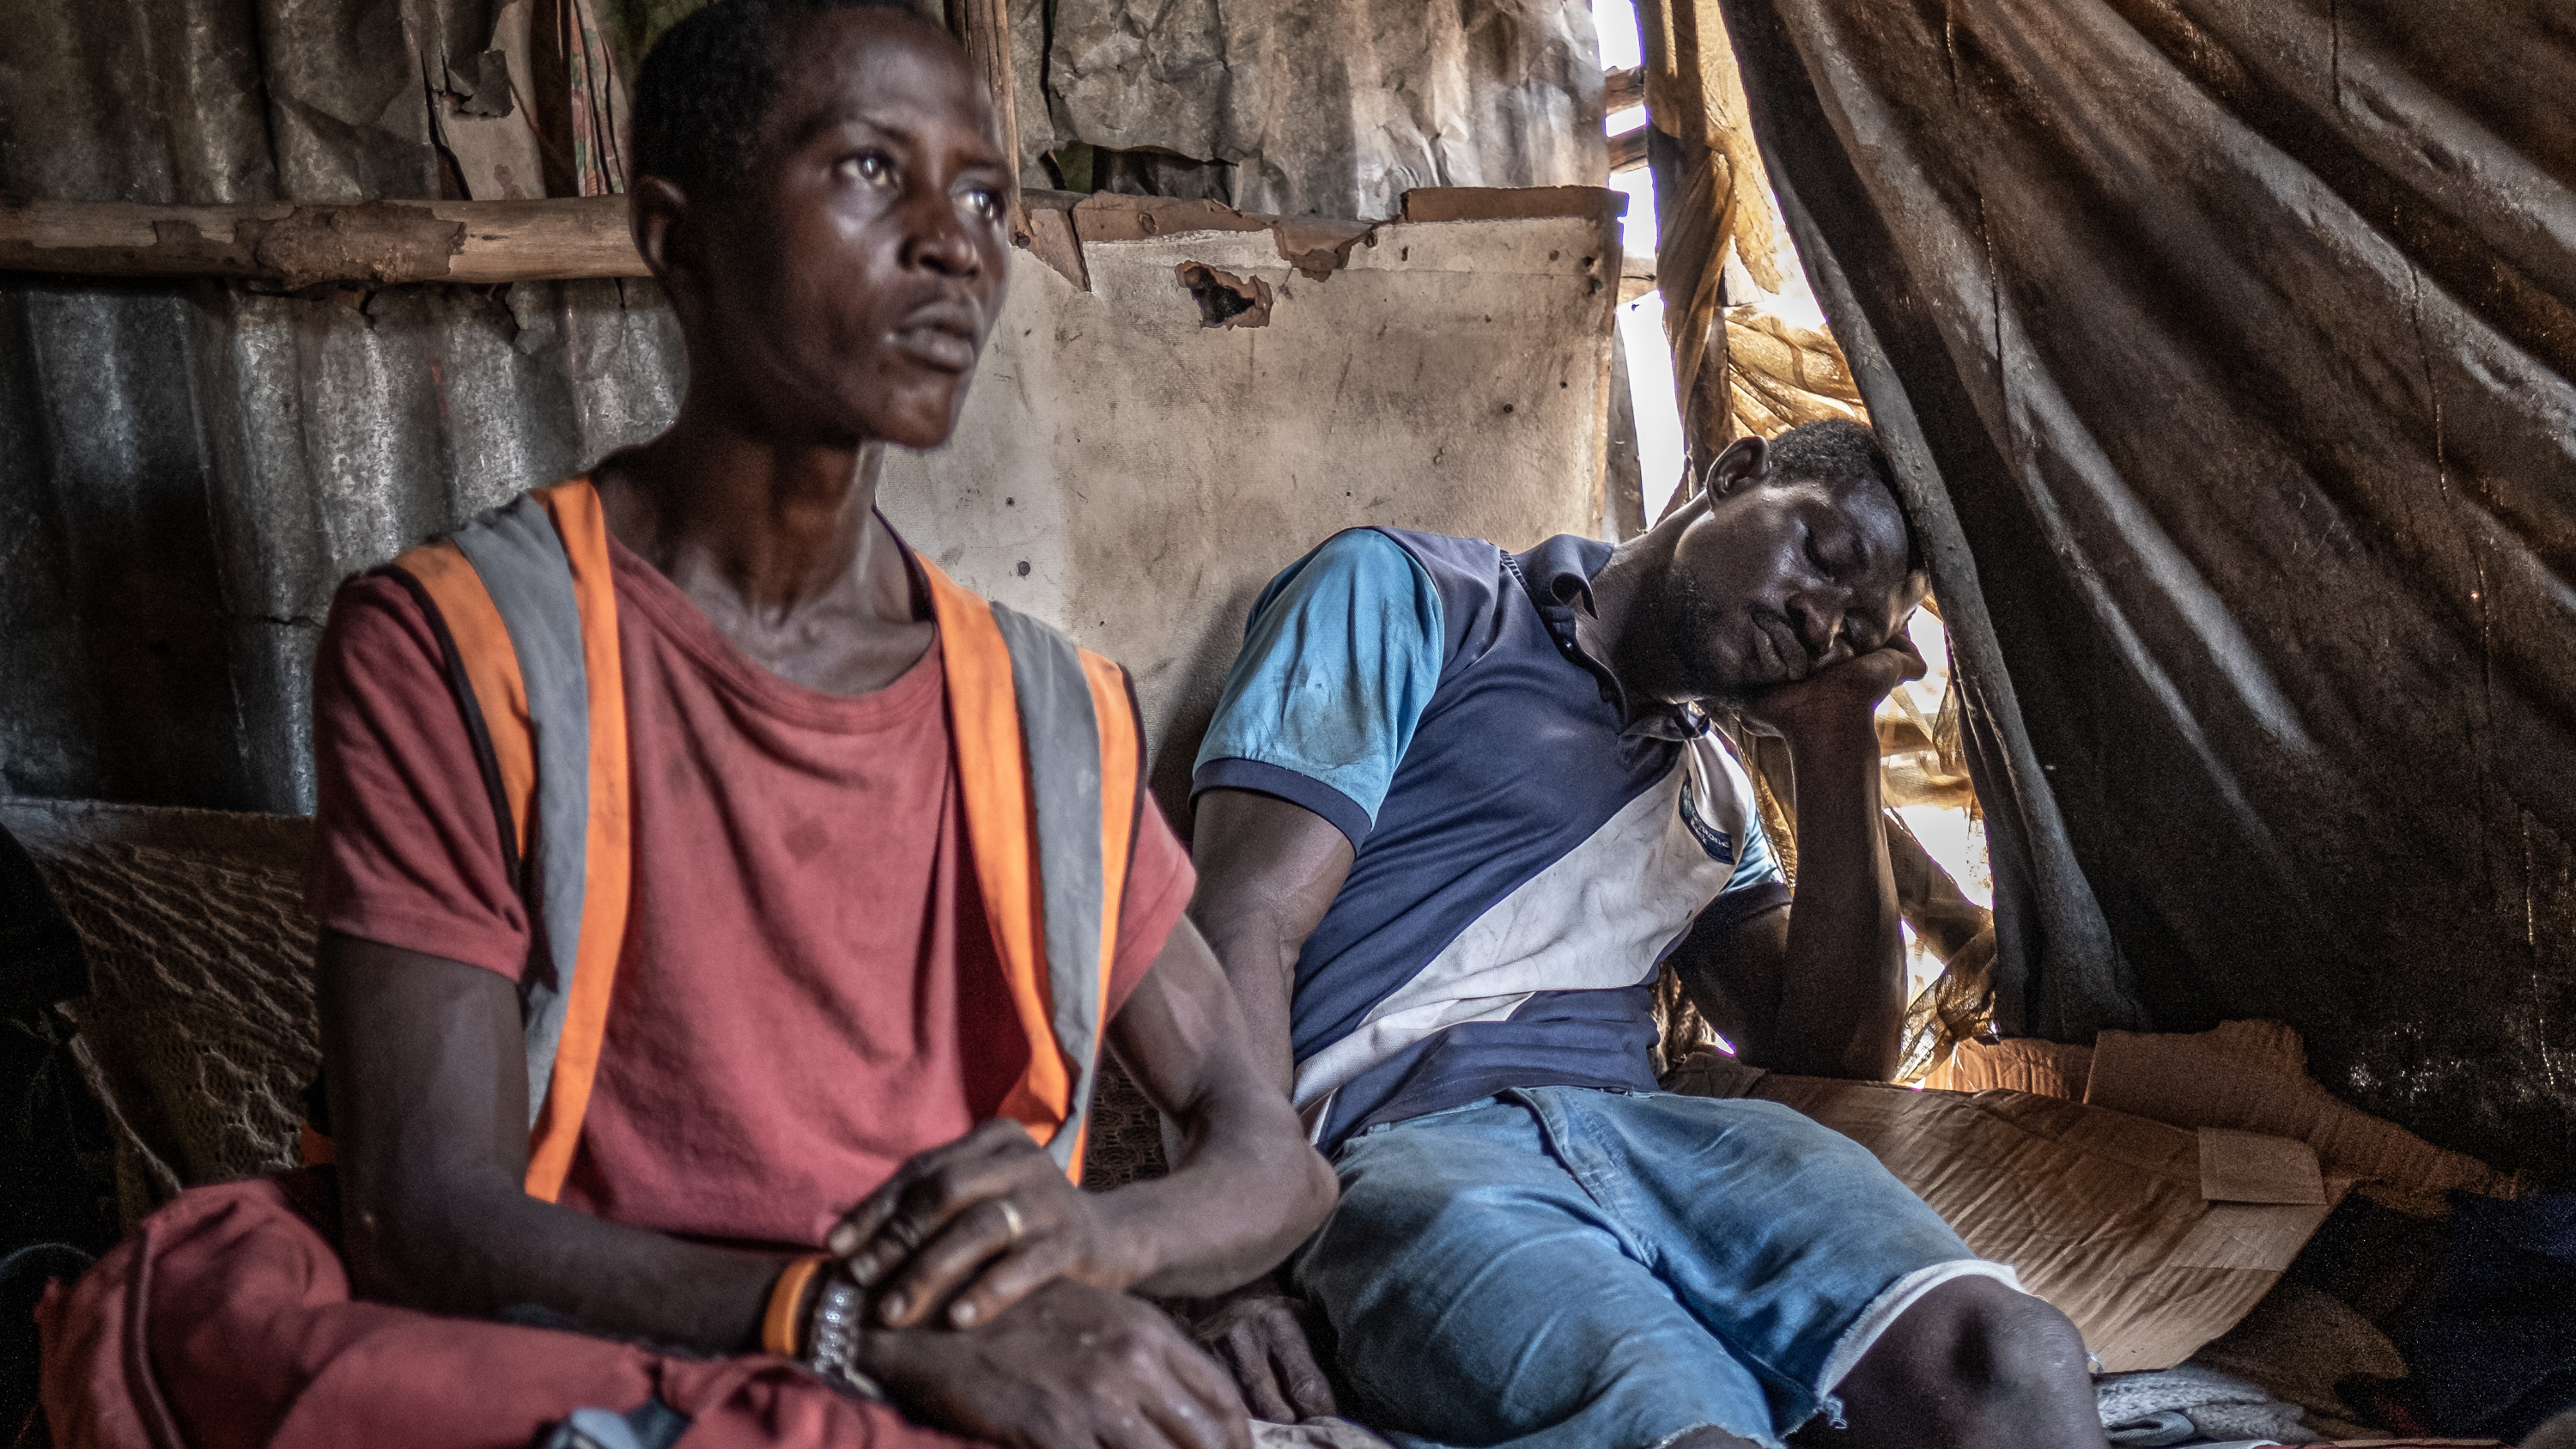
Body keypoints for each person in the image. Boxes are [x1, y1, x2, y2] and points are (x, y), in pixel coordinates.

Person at [34, 4, 1334, 1447]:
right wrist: (846, 1321)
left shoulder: (1049, 717)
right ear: (677, 236)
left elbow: (1269, 1153)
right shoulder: (464, 648)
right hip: (623, 1368)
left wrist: (1101, 1253)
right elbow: (421, 1211)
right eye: (866, 171)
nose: (956, 243)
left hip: (974, 1367)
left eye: (981, 195)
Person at [1183, 420, 2108, 1449]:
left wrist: (1834, 733)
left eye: (1853, 629)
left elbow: (1829, 1058)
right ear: (1735, 471)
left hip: (1669, 1144)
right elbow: (1242, 921)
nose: (1817, 619)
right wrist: (1236, 1268)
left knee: (2015, 1360)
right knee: (1675, 1423)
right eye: (1819, 553)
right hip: (1414, 1148)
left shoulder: (1711, 794)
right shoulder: (1418, 600)